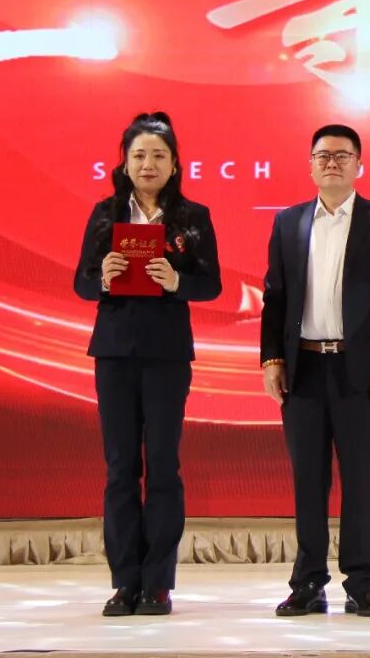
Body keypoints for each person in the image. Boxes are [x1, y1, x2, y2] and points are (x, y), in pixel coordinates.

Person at [260, 124, 370, 618]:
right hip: (302, 368)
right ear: (310, 166)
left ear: (359, 165)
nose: (331, 162)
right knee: (307, 480)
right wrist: (272, 360)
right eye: (322, 155)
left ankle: (361, 583)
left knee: (359, 480)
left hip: (360, 370)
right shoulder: (288, 222)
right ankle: (307, 582)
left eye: (342, 155)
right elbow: (275, 299)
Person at [73, 112, 221, 617]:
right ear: (125, 163)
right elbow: (81, 283)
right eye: (139, 155)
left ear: (175, 164)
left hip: (166, 356)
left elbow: (211, 285)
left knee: (162, 466)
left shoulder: (192, 217)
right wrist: (104, 278)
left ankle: (158, 582)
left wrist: (176, 282)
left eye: (158, 155)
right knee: (120, 469)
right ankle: (124, 582)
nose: (148, 163)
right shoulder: (105, 214)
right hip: (114, 354)